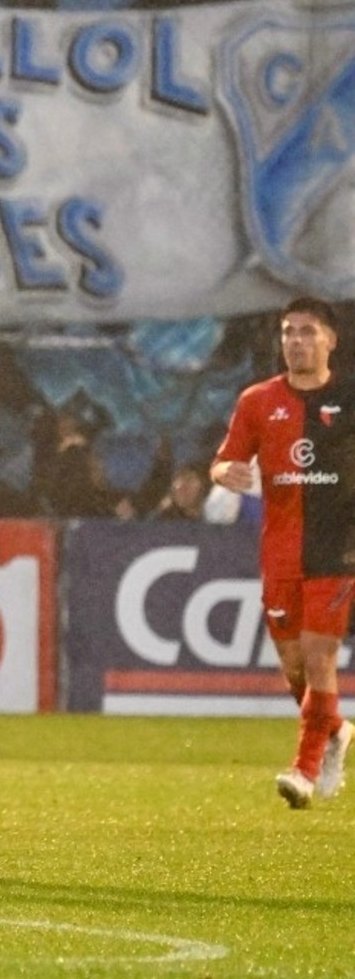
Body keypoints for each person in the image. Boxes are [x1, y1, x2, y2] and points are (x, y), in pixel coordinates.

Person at [211, 296, 355, 809]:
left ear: (330, 340)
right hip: (280, 551)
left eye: (308, 331)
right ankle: (336, 730)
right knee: (295, 668)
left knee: (320, 660)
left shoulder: (349, 396)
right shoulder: (257, 401)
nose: (296, 340)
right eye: (289, 332)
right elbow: (224, 460)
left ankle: (305, 768)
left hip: (338, 548)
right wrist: (223, 473)